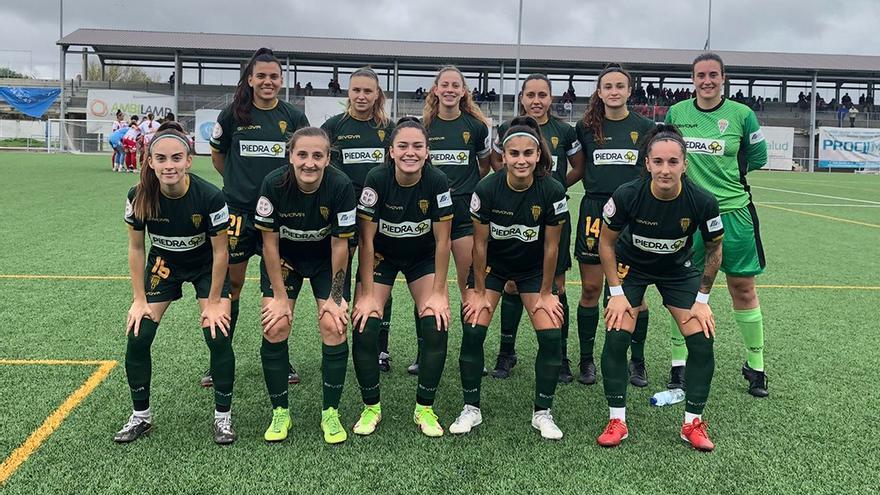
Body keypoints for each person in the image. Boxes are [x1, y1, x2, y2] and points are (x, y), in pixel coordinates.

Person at [596, 124, 723, 452]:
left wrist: (703, 299)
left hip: (677, 272)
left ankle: (691, 423)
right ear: (648, 164)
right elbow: (606, 244)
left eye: (673, 162)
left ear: (684, 164)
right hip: (630, 268)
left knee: (702, 340)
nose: (665, 169)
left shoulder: (703, 201)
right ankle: (617, 420)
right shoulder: (627, 194)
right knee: (616, 335)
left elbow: (714, 249)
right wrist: (616, 293)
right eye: (658, 162)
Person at [115, 122, 236, 445]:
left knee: (217, 332)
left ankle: (223, 418)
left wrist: (212, 302)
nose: (169, 165)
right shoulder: (138, 195)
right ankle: (141, 415)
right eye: (162, 159)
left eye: (176, 158)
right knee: (138, 334)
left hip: (205, 266)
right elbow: (137, 248)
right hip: (164, 264)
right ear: (150, 161)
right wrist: (139, 299)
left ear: (188, 161)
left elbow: (221, 252)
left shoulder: (210, 196)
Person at [452, 116, 567, 440]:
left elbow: (551, 245)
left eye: (527, 153)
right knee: (473, 327)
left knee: (550, 334)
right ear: (503, 156)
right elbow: (479, 243)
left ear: (538, 155)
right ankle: (470, 408)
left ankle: (542, 412)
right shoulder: (487, 188)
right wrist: (475, 289)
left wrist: (546, 292)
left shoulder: (552, 190)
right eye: (514, 153)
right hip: (494, 269)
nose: (521, 160)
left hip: (532, 271)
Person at [665, 52, 769, 397]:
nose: (706, 81)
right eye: (700, 75)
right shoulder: (677, 113)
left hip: (734, 212)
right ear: (692, 79)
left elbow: (757, 158)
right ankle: (678, 364)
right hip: (689, 216)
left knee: (742, 288)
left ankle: (756, 365)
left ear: (723, 78)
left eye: (713, 75)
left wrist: (727, 179)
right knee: (683, 289)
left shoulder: (742, 115)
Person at [209, 47, 310, 387]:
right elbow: (219, 159)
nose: (268, 81)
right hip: (238, 214)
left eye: (274, 76)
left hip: (281, 219)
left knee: (278, 287)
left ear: (281, 80)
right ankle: (219, 359)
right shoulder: (232, 115)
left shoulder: (294, 118)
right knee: (232, 286)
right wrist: (241, 187)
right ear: (250, 79)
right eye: (261, 76)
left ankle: (281, 357)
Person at [351, 117, 453, 438]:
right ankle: (371, 408)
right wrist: (367, 293)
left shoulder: (437, 181)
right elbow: (366, 241)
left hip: (422, 257)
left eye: (417, 146)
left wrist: (439, 292)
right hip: (382, 255)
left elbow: (443, 241)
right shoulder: (376, 178)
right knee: (365, 321)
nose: (411, 152)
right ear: (391, 151)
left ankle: (425, 408)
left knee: (435, 321)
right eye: (403, 146)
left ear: (427, 151)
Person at [255, 127, 356, 444]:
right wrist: (280, 298)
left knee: (334, 324)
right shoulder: (273, 184)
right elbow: (269, 246)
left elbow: (341, 247)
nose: (309, 163)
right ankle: (280, 411)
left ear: (328, 159)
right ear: (290, 156)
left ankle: (331, 413)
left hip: (327, 262)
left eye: (317, 155)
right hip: (285, 262)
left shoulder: (340, 185)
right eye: (302, 154)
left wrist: (336, 298)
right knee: (275, 325)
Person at [489, 73, 585, 383]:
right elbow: (494, 162)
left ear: (551, 98)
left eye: (542, 94)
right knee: (511, 282)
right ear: (522, 97)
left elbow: (580, 167)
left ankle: (560, 356)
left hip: (552, 216)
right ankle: (506, 352)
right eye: (530, 94)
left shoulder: (564, 131)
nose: (536, 100)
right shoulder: (506, 129)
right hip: (513, 215)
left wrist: (553, 186)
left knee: (556, 283)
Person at [570, 64, 656, 387]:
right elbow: (575, 165)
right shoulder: (585, 127)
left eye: (620, 86)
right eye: (608, 86)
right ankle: (587, 360)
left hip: (633, 215)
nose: (614, 91)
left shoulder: (645, 127)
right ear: (600, 91)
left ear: (629, 91)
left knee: (632, 294)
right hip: (594, 211)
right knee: (592, 289)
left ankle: (637, 361)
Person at [321, 67, 396, 372]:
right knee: (340, 273)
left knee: (377, 278)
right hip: (342, 214)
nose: (362, 96)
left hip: (380, 216)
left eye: (368, 90)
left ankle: (379, 347)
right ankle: (338, 335)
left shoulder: (389, 129)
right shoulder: (333, 127)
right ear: (348, 93)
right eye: (356, 90)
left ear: (377, 94)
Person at [420, 65, 491, 375]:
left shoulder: (476, 127)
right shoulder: (424, 125)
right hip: (428, 212)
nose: (449, 89)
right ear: (435, 89)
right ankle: (426, 352)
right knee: (425, 286)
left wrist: (462, 190)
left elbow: (484, 166)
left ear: (463, 91)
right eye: (444, 84)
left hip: (463, 213)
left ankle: (470, 351)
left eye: (455, 85)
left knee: (469, 286)